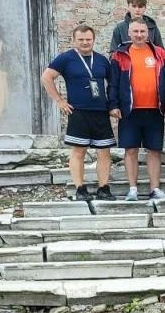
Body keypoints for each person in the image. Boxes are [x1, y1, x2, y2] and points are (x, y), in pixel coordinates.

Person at [40, 24, 117, 201]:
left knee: (104, 152)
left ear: (93, 40)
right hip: (78, 111)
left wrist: (113, 105)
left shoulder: (101, 60)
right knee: (78, 152)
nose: (85, 43)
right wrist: (59, 100)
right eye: (81, 40)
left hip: (100, 112)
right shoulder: (66, 59)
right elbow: (46, 77)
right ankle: (80, 189)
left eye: (88, 39)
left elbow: (112, 84)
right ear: (74, 40)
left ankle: (103, 188)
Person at [109, 18, 165, 202]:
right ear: (129, 33)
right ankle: (132, 189)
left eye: (142, 32)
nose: (139, 35)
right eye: (135, 32)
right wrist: (113, 105)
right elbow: (113, 83)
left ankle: (155, 188)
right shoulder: (119, 55)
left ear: (149, 34)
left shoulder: (160, 53)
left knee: (154, 150)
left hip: (155, 110)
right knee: (130, 150)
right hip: (129, 111)